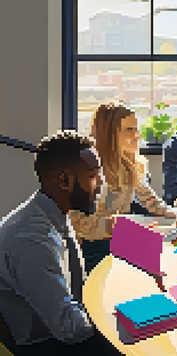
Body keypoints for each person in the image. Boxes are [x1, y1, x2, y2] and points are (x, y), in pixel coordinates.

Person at [0, 131, 121, 355]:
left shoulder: (52, 215)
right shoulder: (31, 240)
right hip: (46, 344)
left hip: (60, 329)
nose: (101, 184)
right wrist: (119, 320)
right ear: (64, 181)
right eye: (93, 175)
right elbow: (70, 329)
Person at [71, 103, 177, 273]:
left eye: (136, 128)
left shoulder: (131, 165)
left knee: (176, 255)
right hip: (97, 249)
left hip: (119, 240)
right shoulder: (92, 170)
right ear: (110, 135)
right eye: (129, 129)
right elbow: (77, 223)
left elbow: (152, 204)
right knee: (165, 260)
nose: (137, 135)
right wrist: (114, 225)